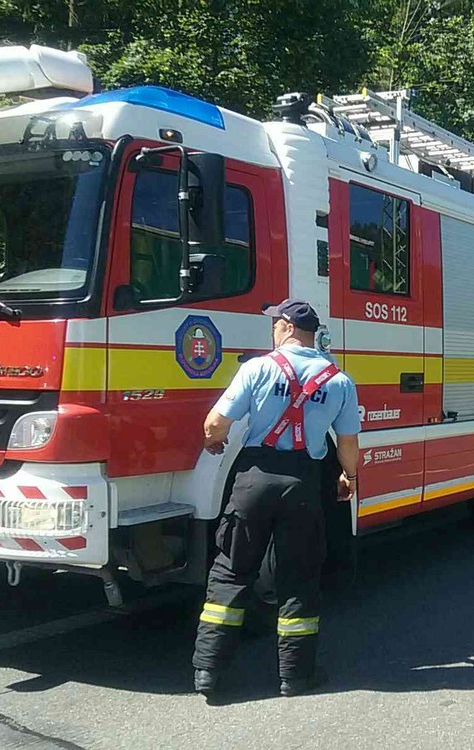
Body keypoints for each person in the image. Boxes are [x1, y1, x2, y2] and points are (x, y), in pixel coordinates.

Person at [192, 299, 361, 699]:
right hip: (303, 483)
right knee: (299, 578)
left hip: (253, 480)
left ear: (286, 327)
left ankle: (208, 673)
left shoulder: (257, 368)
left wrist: (213, 443)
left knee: (231, 572)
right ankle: (294, 677)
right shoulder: (339, 380)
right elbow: (349, 444)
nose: (271, 329)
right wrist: (348, 477)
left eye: (274, 323)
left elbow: (215, 423)